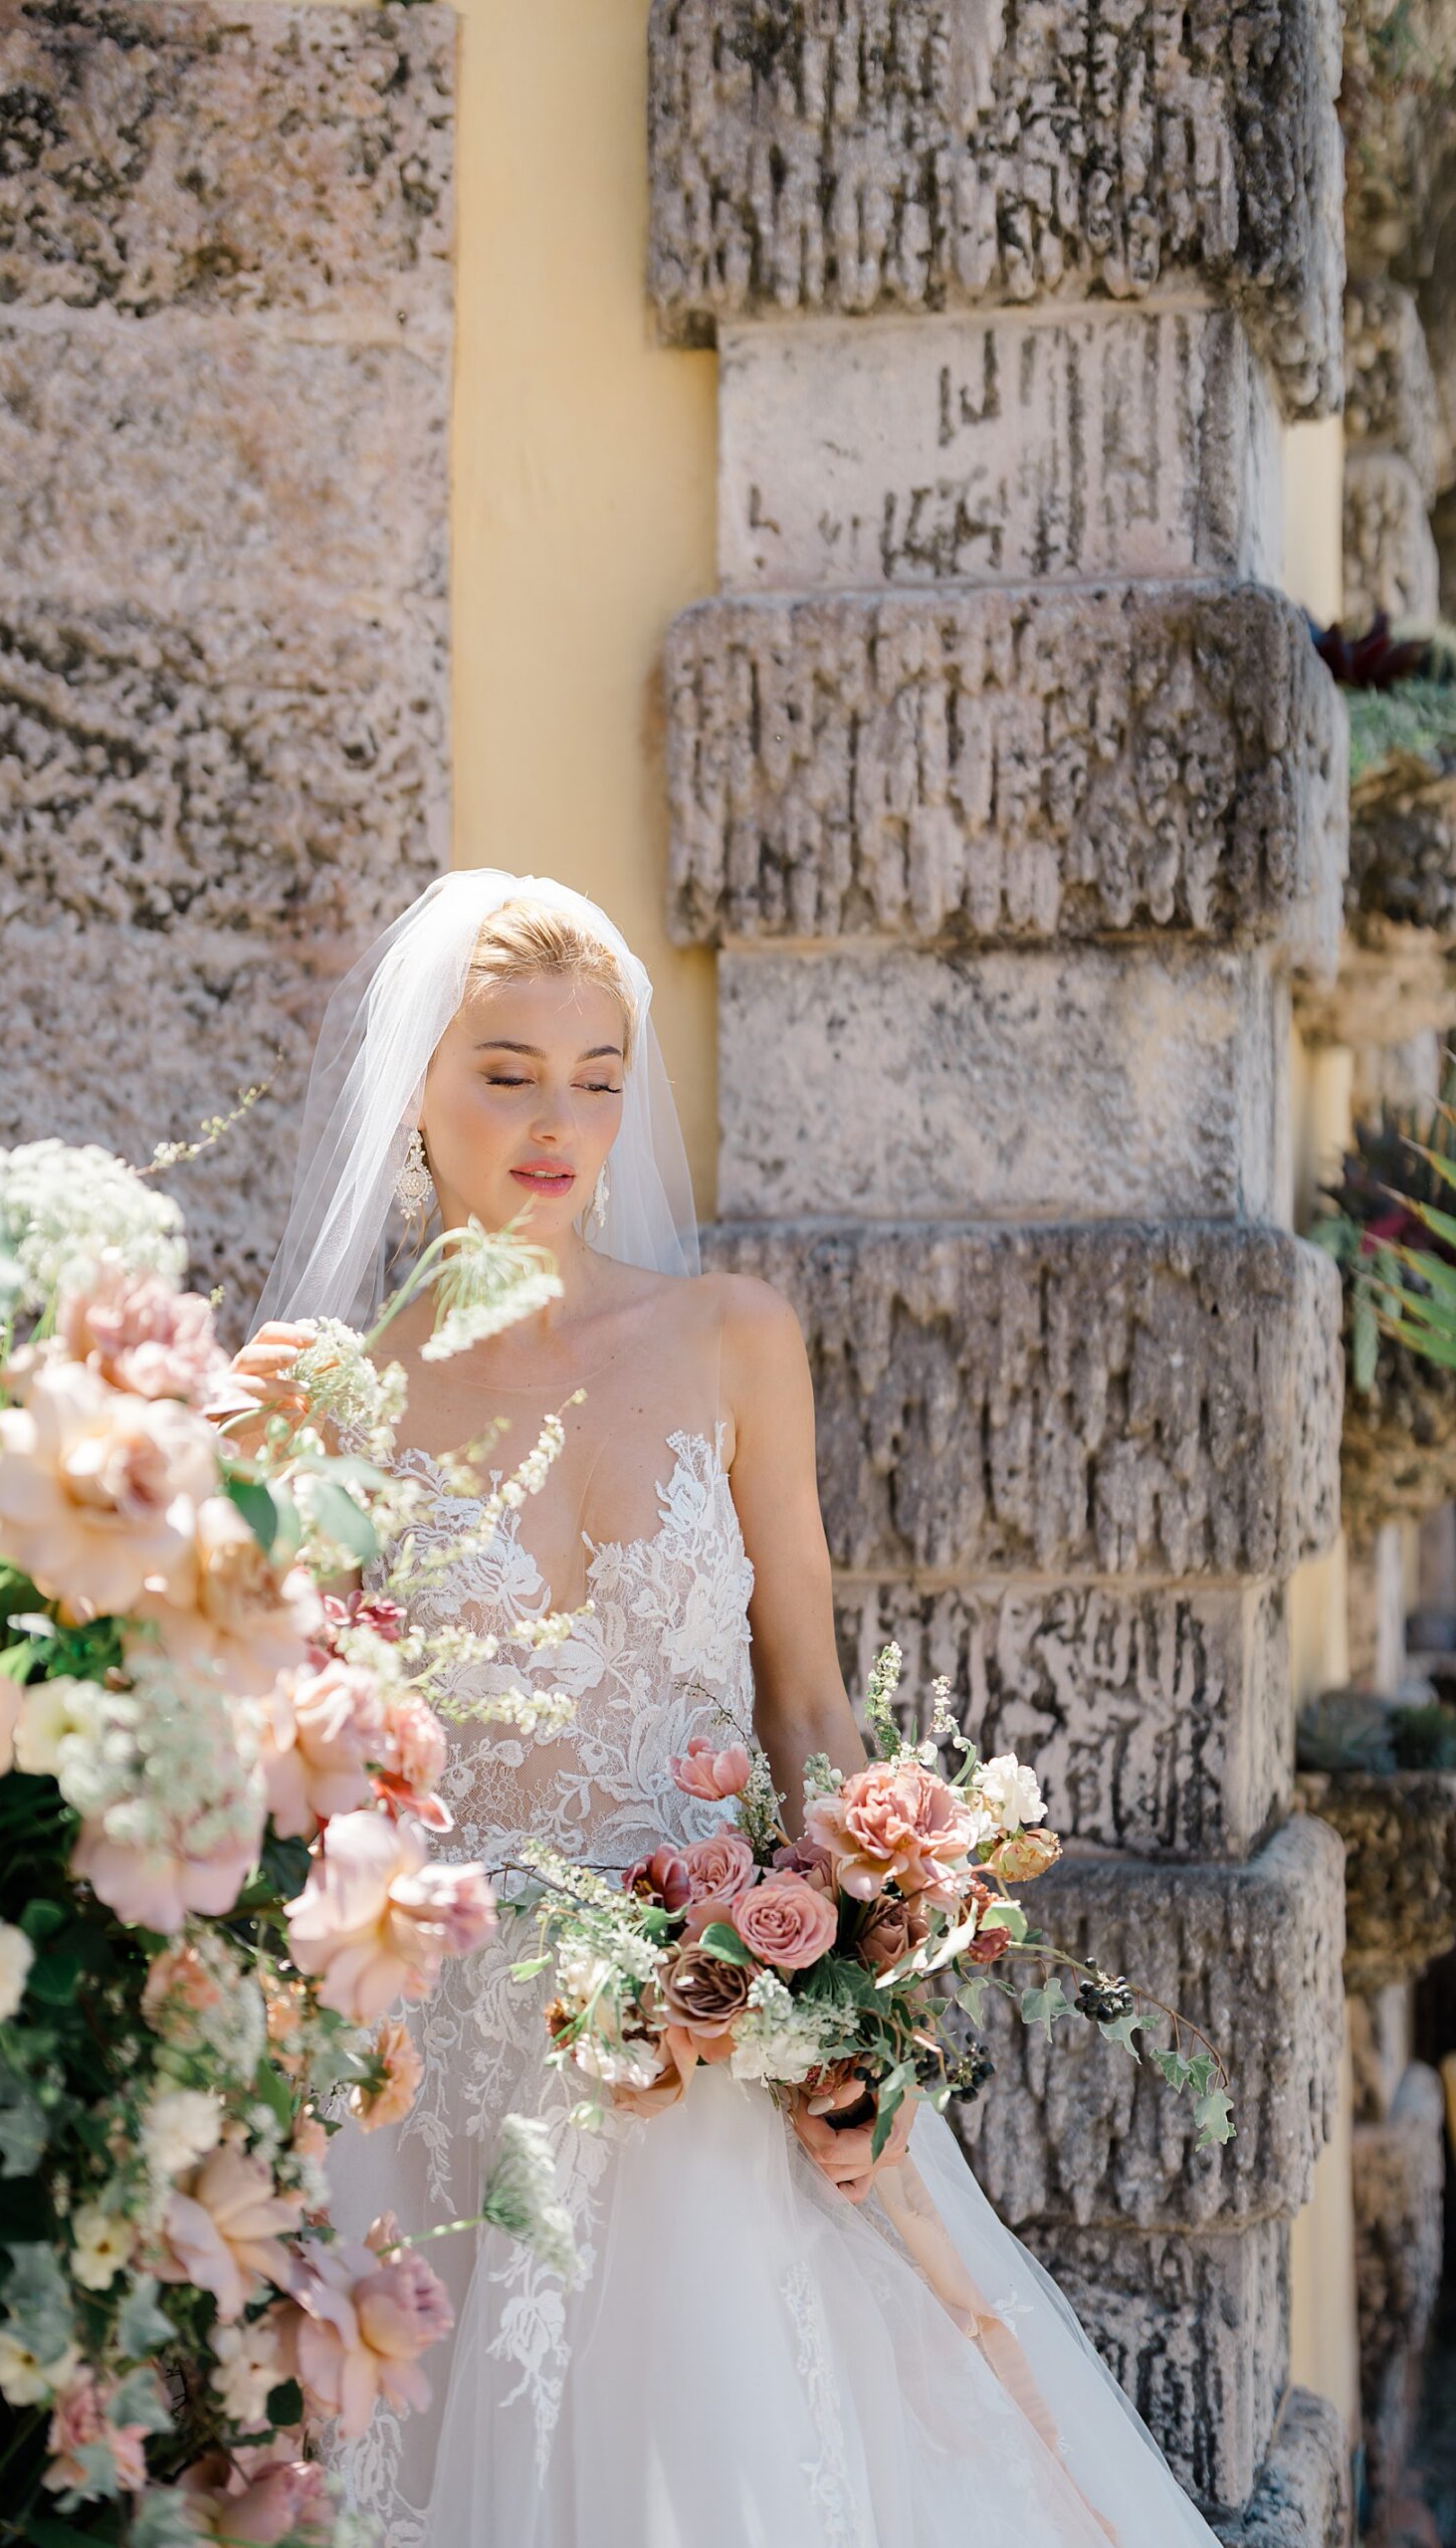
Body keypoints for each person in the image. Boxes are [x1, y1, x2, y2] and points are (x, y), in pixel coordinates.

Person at [254, 870, 1222, 2548]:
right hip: (434, 2064)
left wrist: (860, 1987)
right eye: (506, 1069)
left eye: (600, 1072)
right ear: (411, 1088)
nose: (561, 1121)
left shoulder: (726, 1338)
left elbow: (810, 1706)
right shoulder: (325, 1399)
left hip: (704, 2035)